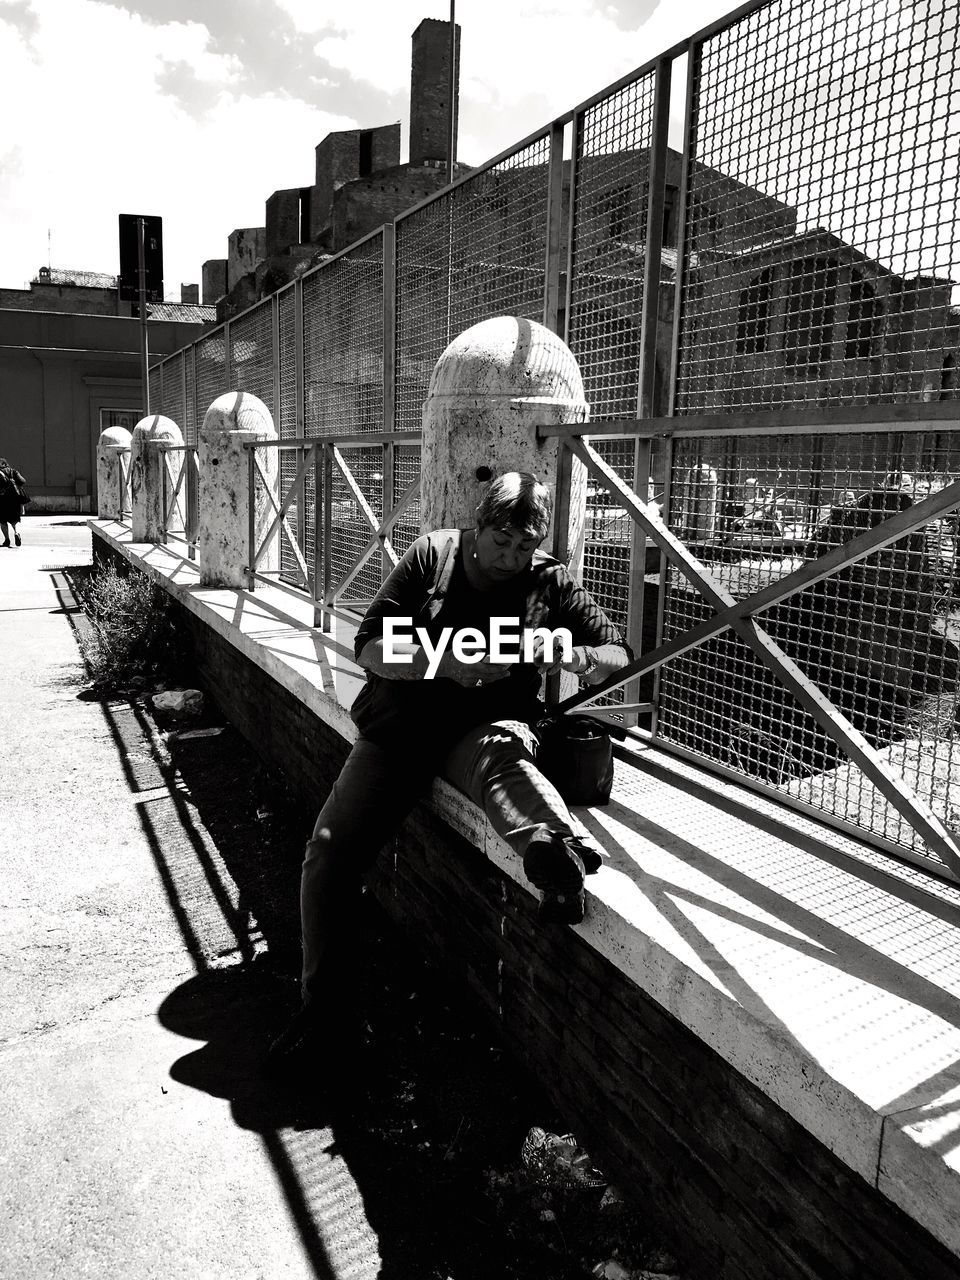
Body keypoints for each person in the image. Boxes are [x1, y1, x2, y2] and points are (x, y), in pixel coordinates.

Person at [267, 471, 630, 1074]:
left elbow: (618, 655)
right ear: (479, 523)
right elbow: (369, 647)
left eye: (524, 547)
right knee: (329, 853)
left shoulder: (547, 581)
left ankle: (559, 853)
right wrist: (444, 665)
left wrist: (575, 655)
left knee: (504, 763)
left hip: (485, 731)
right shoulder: (433, 555)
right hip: (403, 731)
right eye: (500, 542)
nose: (511, 558)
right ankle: (323, 1013)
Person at [0, 457, 28, 548]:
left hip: (2, 499)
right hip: (15, 499)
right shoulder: (14, 472)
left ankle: (7, 540)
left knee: (3, 521)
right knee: (14, 520)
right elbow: (23, 481)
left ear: (3, 464)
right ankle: (16, 533)